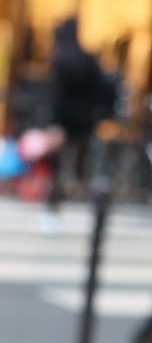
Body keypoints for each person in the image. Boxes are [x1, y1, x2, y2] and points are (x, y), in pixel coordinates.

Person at [45, 16, 117, 218]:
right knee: (80, 160)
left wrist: (54, 122)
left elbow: (57, 95)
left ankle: (56, 203)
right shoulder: (88, 59)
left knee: (59, 163)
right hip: (85, 118)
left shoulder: (61, 58)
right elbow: (99, 90)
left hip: (65, 119)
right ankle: (77, 199)